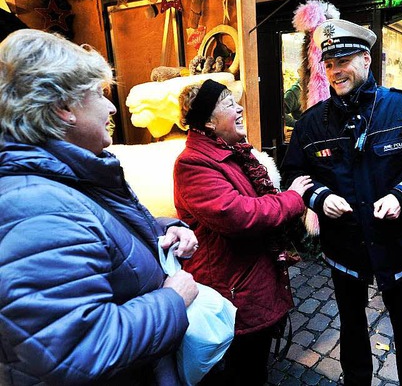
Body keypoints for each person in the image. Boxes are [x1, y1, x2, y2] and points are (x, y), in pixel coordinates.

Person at [0, 29, 200, 384]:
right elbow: (79, 349)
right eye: (98, 93)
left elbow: (105, 231)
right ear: (63, 108)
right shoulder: (39, 210)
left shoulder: (69, 176)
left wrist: (165, 229)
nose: (111, 106)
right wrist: (172, 300)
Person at [282, 19, 402, 385]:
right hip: (344, 247)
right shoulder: (311, 123)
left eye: (342, 61)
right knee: (351, 325)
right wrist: (319, 197)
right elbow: (292, 177)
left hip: (400, 246)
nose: (335, 71)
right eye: (328, 64)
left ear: (365, 58)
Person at [173, 79, 313, 385]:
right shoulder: (193, 164)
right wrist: (291, 198)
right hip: (233, 292)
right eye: (227, 103)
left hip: (250, 283)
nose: (239, 108)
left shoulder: (233, 153)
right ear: (208, 122)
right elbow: (239, 215)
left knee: (255, 367)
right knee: (241, 373)